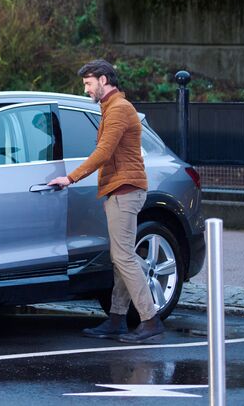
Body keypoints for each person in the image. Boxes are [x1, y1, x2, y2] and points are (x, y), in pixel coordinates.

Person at [48, 59, 165, 344]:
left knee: (124, 256)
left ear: (103, 79)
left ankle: (150, 319)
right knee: (122, 257)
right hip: (119, 190)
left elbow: (103, 151)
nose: (86, 90)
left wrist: (70, 177)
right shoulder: (111, 108)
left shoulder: (119, 109)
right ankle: (116, 319)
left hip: (126, 190)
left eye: (88, 83)